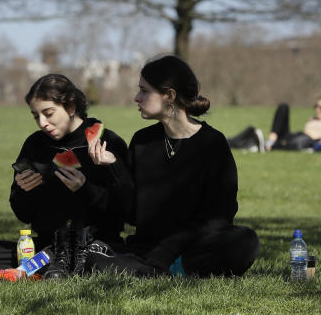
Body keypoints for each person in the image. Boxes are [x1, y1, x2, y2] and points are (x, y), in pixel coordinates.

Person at [87, 55, 259, 277]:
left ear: (169, 95)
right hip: (145, 249)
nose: (136, 98)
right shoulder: (142, 141)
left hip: (192, 248)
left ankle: (157, 270)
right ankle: (158, 271)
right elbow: (132, 214)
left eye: (144, 90)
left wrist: (168, 250)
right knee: (91, 254)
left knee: (245, 241)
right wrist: (113, 167)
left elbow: (220, 217)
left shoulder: (212, 143)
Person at [0, 74, 129, 277]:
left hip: (97, 245)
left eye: (49, 113)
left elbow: (124, 211)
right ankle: (56, 262)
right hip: (49, 245)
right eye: (36, 116)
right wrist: (24, 192)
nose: (42, 123)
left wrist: (88, 190)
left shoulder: (108, 142)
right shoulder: (35, 145)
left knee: (105, 259)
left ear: (70, 107)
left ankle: (66, 264)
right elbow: (24, 214)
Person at [228, 96, 321, 152]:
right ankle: (269, 142)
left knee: (252, 139)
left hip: (305, 141)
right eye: (316, 106)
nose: (317, 109)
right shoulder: (315, 119)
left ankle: (264, 145)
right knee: (283, 107)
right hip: (295, 137)